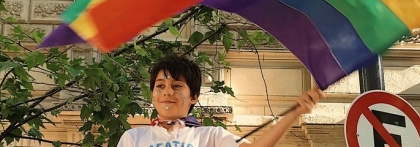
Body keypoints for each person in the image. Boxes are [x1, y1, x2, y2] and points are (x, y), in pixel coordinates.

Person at [116, 55, 324, 147]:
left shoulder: (211, 136)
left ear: (194, 96)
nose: (167, 92)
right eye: (160, 86)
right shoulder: (133, 138)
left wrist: (293, 113)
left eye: (177, 86)